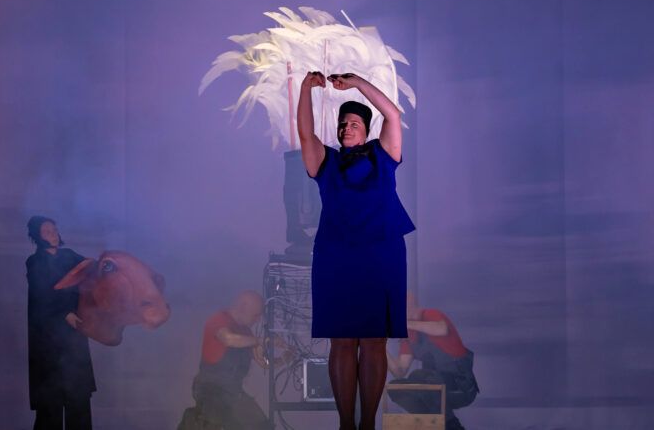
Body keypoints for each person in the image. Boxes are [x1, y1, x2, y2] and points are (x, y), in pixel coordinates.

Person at [298, 71, 416, 430]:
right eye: (342, 124)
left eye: (353, 123)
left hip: (381, 255)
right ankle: (346, 424)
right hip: (337, 257)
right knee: (342, 340)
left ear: (366, 129)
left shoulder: (384, 154)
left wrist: (358, 84)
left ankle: (368, 424)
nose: (346, 128)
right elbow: (305, 133)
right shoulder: (326, 162)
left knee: (375, 340)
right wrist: (305, 89)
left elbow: (393, 114)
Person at [25, 215, 96, 430]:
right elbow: (42, 294)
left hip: (73, 337)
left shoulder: (69, 256)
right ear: (38, 236)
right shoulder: (34, 262)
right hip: (47, 339)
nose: (53, 234)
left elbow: (90, 268)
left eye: (54, 230)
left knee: (79, 399)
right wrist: (65, 313)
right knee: (50, 402)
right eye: (47, 231)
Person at [386, 293, 479, 430]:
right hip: (434, 388)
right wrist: (379, 346)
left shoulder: (431, 315)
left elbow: (441, 329)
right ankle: (431, 423)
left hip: (461, 387)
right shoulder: (409, 336)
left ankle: (451, 425)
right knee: (397, 387)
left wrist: (403, 323)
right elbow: (399, 371)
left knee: (421, 377)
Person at [187, 290, 272, 430]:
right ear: (243, 307)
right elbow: (228, 339)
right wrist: (260, 340)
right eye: (255, 315)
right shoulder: (219, 319)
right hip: (211, 389)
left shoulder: (246, 332)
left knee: (261, 426)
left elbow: (263, 362)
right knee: (215, 422)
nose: (257, 320)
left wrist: (286, 357)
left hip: (233, 392)